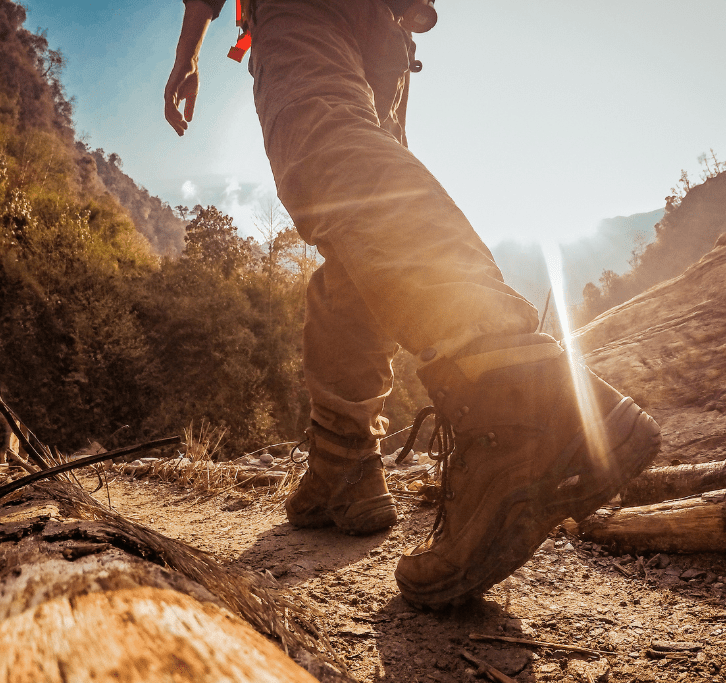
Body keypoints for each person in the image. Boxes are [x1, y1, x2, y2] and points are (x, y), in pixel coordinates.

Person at [164, 0, 661, 609]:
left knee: (324, 153)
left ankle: (517, 396)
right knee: (359, 243)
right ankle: (342, 459)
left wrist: (187, 54)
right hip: (383, 31)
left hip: (306, 12)